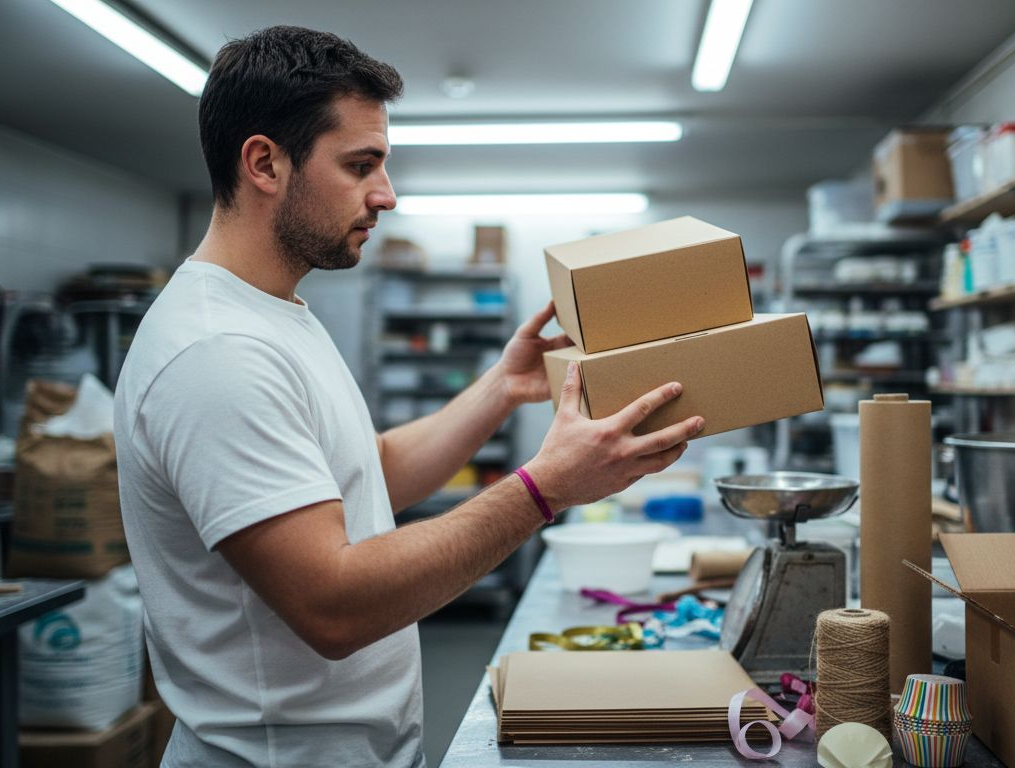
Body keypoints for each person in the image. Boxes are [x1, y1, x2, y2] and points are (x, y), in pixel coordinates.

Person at [113, 25, 705, 768]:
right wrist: (544, 487)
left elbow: (365, 474)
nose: (385, 195)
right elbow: (333, 604)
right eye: (361, 165)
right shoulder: (216, 352)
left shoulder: (275, 310)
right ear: (264, 163)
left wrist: (502, 387)